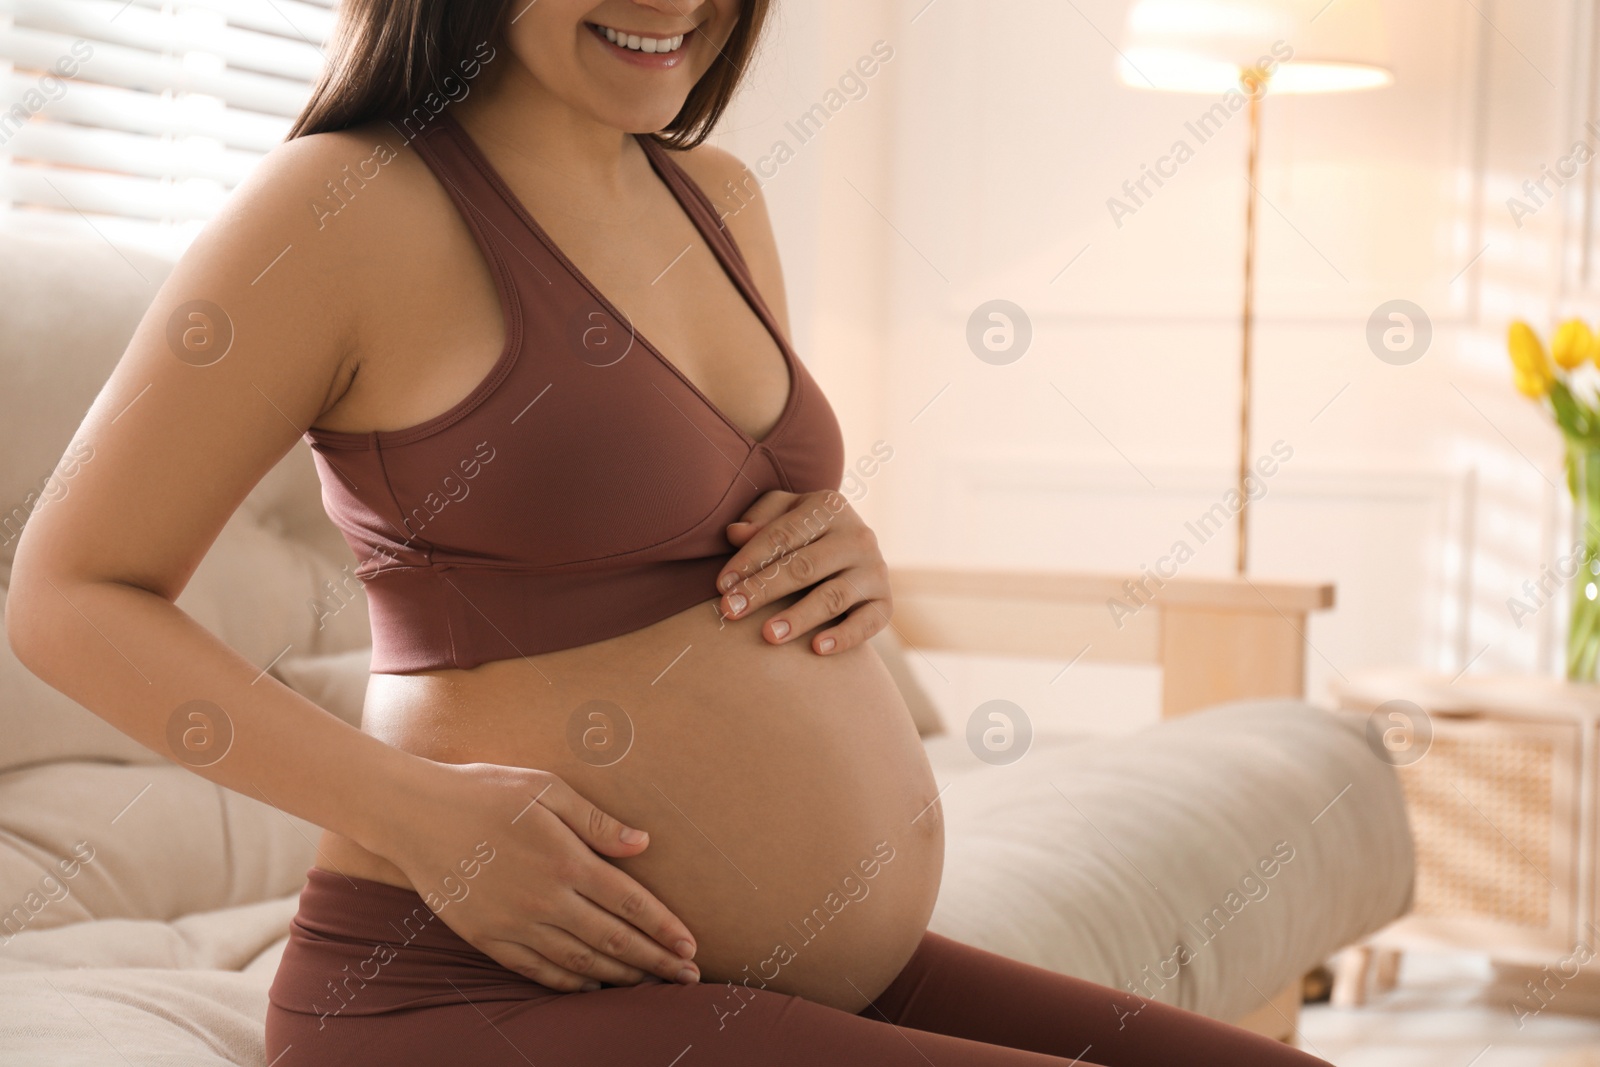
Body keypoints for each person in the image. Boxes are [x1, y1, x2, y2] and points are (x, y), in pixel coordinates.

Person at [6, 1, 1335, 1063]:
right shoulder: (344, 206)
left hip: (779, 978)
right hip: (464, 998)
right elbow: (69, 594)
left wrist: (841, 547)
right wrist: (424, 819)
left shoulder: (720, 200)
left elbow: (699, 508)